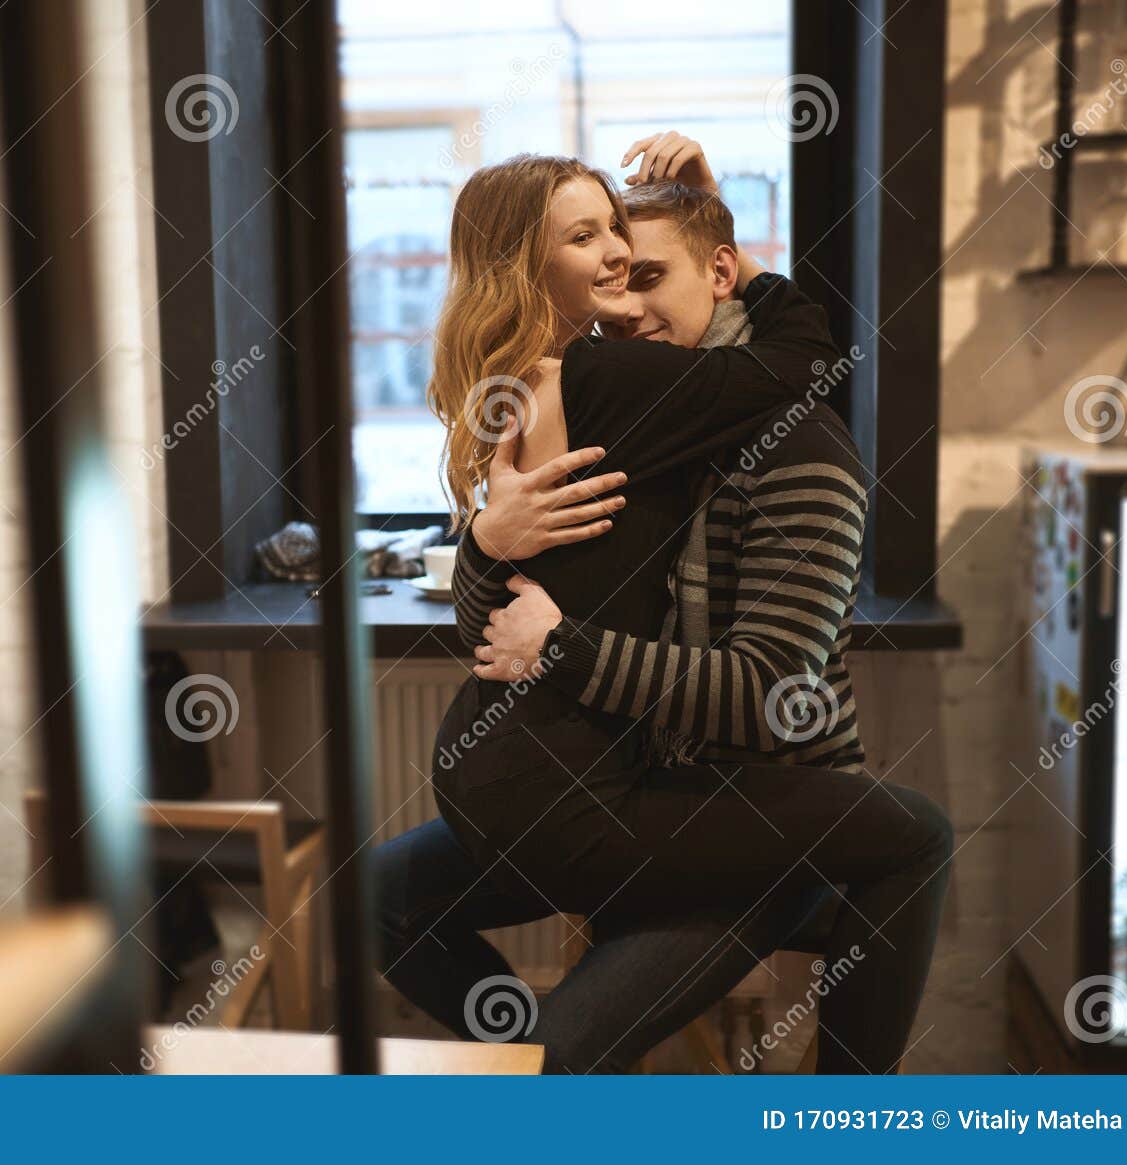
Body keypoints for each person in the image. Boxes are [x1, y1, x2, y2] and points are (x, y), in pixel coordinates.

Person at [374, 135, 953, 1074]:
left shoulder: (795, 447)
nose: (626, 303)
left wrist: (565, 649)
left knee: (567, 1057)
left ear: (722, 273)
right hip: (628, 790)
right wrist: (487, 541)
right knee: (384, 900)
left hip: (738, 808)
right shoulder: (636, 406)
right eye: (604, 265)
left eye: (647, 273)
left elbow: (770, 691)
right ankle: (528, 1068)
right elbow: (500, 623)